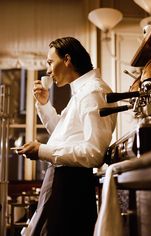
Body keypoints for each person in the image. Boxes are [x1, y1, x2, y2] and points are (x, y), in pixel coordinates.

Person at [18, 36, 117, 236]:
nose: (47, 70)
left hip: (70, 187)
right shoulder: (82, 92)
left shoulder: (93, 92)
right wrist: (44, 104)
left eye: (50, 62)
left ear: (67, 60)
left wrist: (42, 150)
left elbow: (94, 153)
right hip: (64, 182)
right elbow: (64, 137)